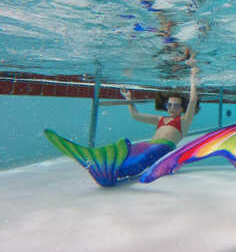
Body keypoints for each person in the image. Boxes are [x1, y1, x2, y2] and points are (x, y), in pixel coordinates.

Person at [44, 63, 199, 187]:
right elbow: (135, 115)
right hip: (148, 145)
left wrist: (193, 77)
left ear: (182, 108)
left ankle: (105, 172)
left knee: (140, 161)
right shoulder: (160, 119)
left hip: (163, 148)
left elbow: (192, 100)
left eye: (176, 105)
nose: (172, 108)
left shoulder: (184, 121)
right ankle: (99, 164)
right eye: (169, 105)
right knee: (127, 154)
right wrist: (128, 99)